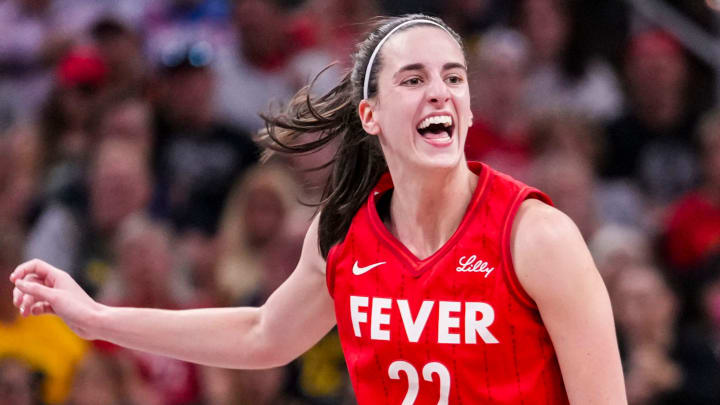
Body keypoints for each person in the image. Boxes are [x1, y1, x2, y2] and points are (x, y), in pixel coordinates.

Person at [10, 14, 626, 404]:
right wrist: (97, 317)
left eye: (454, 77)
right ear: (371, 114)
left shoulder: (537, 236)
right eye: (413, 79)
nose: (441, 89)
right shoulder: (343, 234)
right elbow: (260, 334)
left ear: (467, 106)